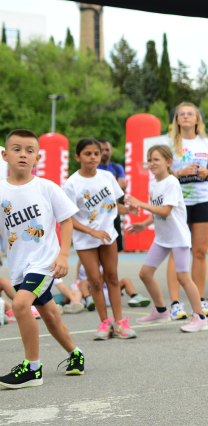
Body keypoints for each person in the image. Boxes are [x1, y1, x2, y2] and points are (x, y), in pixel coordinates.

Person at [0, 129, 85, 388]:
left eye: (29, 150)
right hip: (19, 267)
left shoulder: (47, 187)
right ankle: (75, 354)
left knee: (21, 305)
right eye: (16, 149)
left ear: (37, 158)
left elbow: (67, 221)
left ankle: (32, 368)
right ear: (5, 155)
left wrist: (63, 255)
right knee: (51, 317)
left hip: (44, 263)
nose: (23, 154)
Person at [126, 145, 208, 333]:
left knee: (183, 277)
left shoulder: (171, 182)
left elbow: (165, 210)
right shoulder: (154, 183)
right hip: (163, 238)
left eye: (156, 159)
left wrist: (141, 204)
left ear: (168, 162)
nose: (152, 163)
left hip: (178, 237)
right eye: (150, 159)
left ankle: (200, 317)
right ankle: (162, 311)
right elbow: (158, 211)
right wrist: (144, 225)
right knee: (145, 274)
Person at [63, 138, 136, 340]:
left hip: (108, 236)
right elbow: (67, 217)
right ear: (78, 157)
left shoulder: (107, 177)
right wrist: (90, 231)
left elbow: (114, 206)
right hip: (85, 240)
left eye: (96, 153)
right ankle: (105, 323)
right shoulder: (71, 184)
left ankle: (120, 323)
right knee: (95, 281)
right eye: (88, 154)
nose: (93, 157)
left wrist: (129, 209)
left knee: (112, 277)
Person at [166, 103, 208, 320]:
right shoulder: (168, 143)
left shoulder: (205, 143)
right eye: (182, 114)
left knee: (200, 252)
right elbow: (161, 172)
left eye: (190, 114)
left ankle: (199, 299)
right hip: (178, 203)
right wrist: (179, 172)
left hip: (202, 200)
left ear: (197, 120)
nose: (186, 117)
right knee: (177, 251)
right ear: (176, 120)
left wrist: (206, 173)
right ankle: (175, 303)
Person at [97, 138, 127, 252]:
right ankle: (84, 270)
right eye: (101, 149)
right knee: (93, 247)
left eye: (107, 149)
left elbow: (122, 186)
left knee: (114, 247)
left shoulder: (117, 167)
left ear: (111, 151)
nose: (104, 152)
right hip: (98, 214)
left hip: (114, 211)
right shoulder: (94, 168)